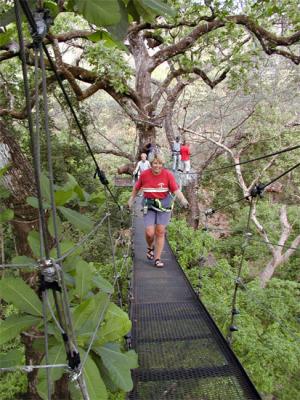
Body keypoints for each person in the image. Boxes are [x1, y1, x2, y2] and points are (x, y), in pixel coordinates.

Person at [127, 154, 189, 268]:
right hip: (149, 205)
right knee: (150, 233)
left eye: (160, 163)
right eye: (155, 163)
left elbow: (176, 190)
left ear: (163, 164)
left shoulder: (168, 175)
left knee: (160, 231)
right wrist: (131, 200)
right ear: (151, 164)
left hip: (164, 206)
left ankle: (157, 258)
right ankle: (150, 247)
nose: (157, 166)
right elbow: (136, 188)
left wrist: (183, 200)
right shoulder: (145, 175)